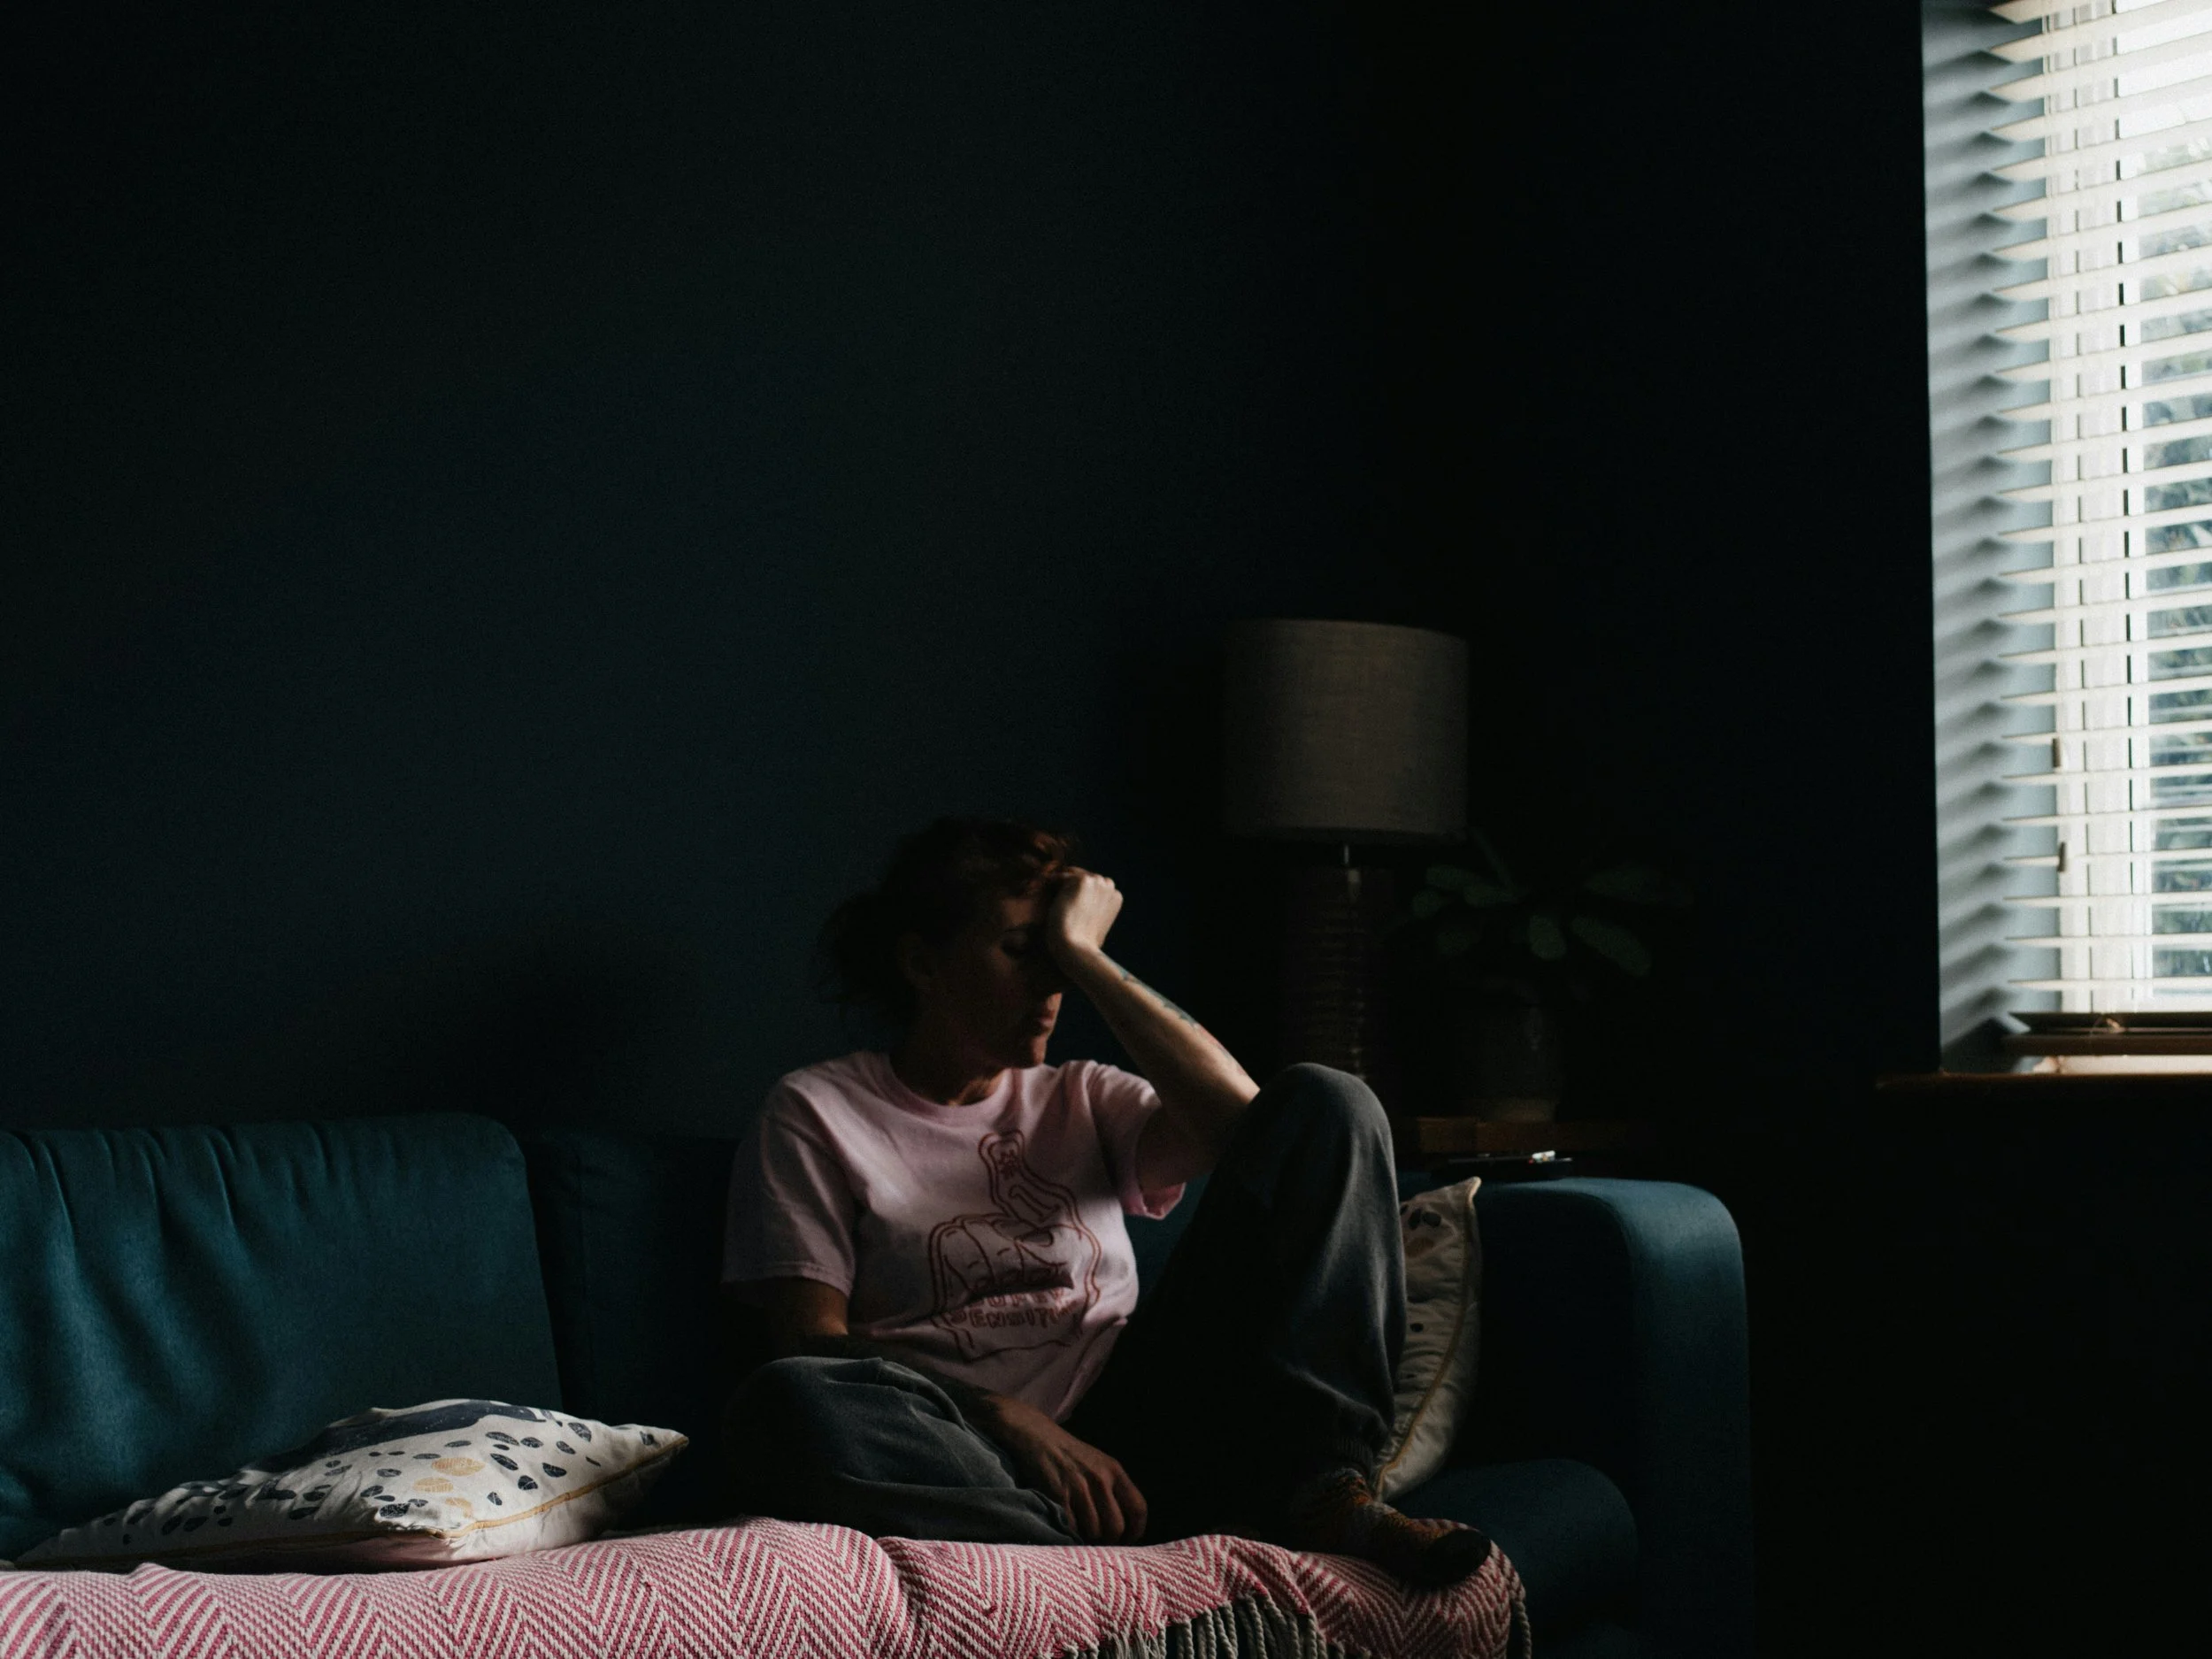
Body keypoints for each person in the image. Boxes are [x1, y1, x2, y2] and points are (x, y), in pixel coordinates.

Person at [718, 817, 1489, 1587]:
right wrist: (1006, 1417)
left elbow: (1253, 1124)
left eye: (1060, 956)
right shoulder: (815, 1111)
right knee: (792, 1399)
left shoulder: (1083, 1096)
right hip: (971, 1450)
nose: (1051, 985)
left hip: (1147, 1426)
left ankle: (1325, 1489)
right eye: (1025, 951)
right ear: (923, 961)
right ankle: (1112, 1570)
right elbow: (807, 1341)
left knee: (1333, 1099)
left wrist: (1089, 956)